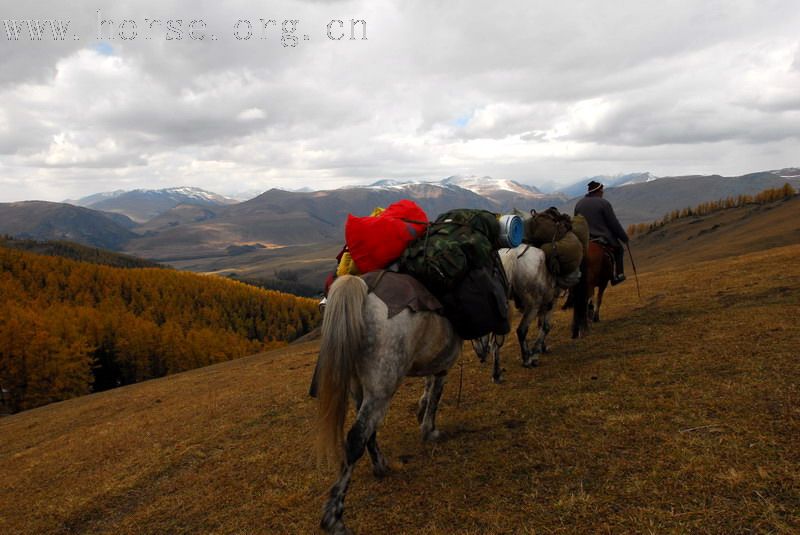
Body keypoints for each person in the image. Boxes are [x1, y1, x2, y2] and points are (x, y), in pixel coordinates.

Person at [574, 180, 628, 285]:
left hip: (583, 238)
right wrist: (623, 237)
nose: (603, 192)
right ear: (598, 191)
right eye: (602, 190)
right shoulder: (604, 203)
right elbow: (613, 223)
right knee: (619, 250)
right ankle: (618, 276)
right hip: (601, 236)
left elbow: (576, 221)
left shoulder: (579, 203)